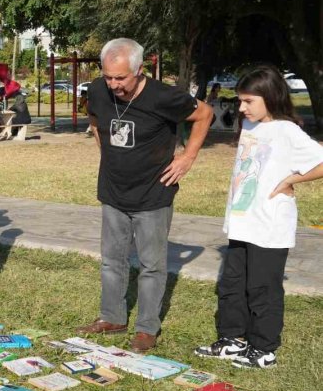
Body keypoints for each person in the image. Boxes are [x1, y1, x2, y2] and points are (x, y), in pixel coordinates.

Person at [79, 38, 213, 353]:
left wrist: (188, 157)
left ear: (139, 70)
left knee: (151, 265)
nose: (113, 84)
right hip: (113, 191)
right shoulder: (99, 90)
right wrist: (106, 153)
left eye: (120, 78)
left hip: (154, 194)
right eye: (108, 76)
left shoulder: (164, 96)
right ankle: (112, 317)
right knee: (112, 260)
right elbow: (96, 119)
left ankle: (146, 329)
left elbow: (204, 114)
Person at [194, 66, 323, 369]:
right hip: (242, 221)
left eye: (249, 101)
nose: (242, 108)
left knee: (263, 288)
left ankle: (264, 349)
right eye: (240, 101)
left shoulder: (286, 130)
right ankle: (231, 339)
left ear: (270, 96)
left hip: (270, 225)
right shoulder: (250, 126)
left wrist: (290, 181)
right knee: (232, 284)